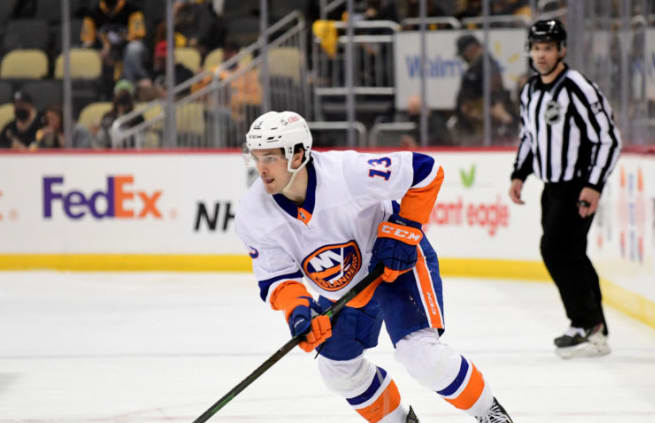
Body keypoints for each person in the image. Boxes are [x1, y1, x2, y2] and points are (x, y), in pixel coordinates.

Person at [235, 110, 514, 423]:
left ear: (298, 154)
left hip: (394, 267)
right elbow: (277, 279)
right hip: (346, 287)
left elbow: (425, 170)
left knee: (420, 355)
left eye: (270, 157)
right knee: (337, 370)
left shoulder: (347, 173)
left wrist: (405, 231)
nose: (261, 168)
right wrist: (300, 312)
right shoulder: (252, 214)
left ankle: (491, 415)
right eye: (256, 157)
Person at [508, 19, 621, 359]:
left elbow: (608, 138)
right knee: (570, 253)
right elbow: (529, 136)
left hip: (577, 186)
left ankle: (585, 323)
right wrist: (519, 173)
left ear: (562, 50)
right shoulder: (530, 90)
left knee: (556, 250)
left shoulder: (577, 87)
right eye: (536, 48)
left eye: (548, 48)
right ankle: (593, 325)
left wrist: (593, 185)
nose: (541, 55)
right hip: (551, 187)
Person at [452, 34, 516, 144]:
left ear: (471, 49)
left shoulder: (487, 65)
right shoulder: (477, 66)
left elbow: (494, 90)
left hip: (481, 124)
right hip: (473, 122)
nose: (463, 58)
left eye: (463, 54)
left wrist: (495, 106)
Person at [80, 0, 149, 94]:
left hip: (126, 50)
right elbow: (87, 42)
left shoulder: (132, 10)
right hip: (103, 53)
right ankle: (99, 93)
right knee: (87, 55)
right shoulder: (92, 13)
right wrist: (99, 50)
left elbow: (136, 36)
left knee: (134, 48)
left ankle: (134, 84)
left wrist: (112, 48)